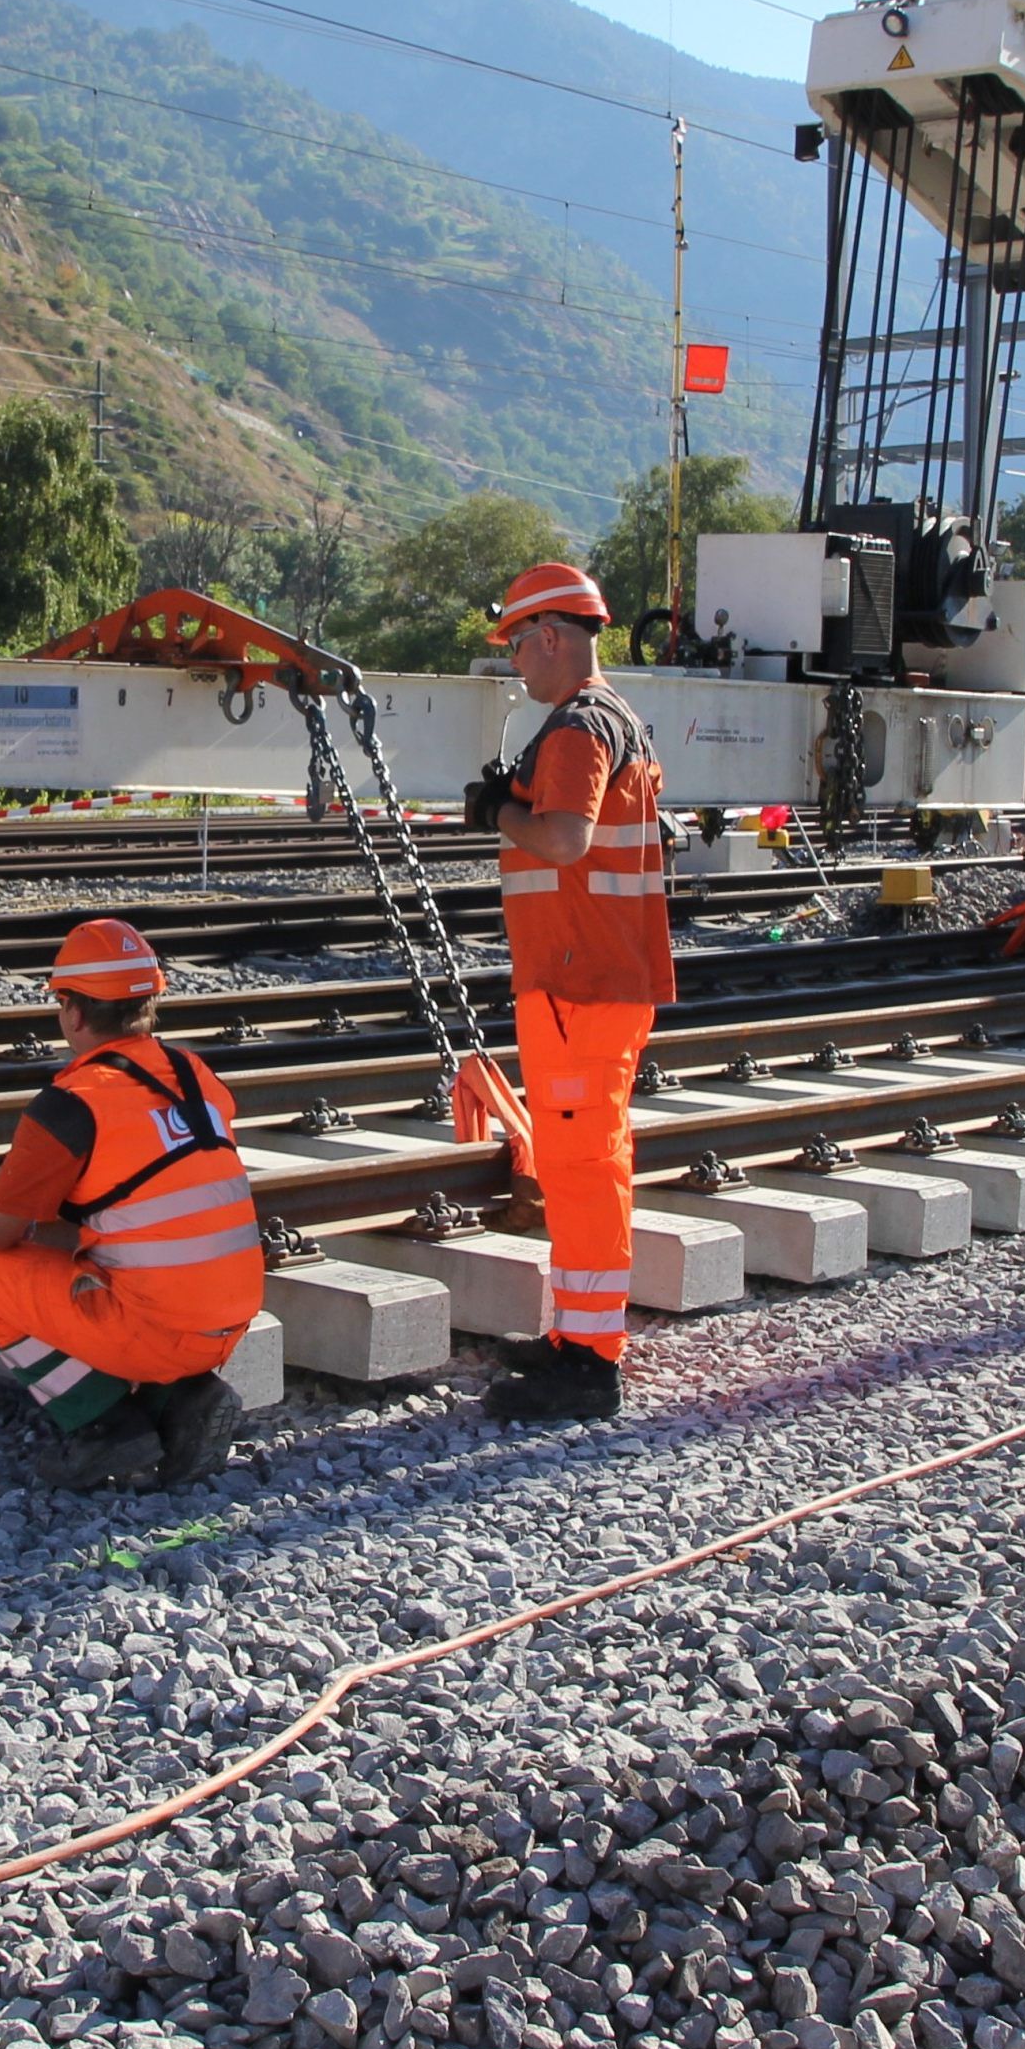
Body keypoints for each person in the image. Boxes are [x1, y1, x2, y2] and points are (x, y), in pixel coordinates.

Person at [463, 562, 676, 1420]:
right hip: (593, 980)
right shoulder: (617, 718)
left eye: (517, 644)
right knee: (586, 1160)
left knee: (581, 1165)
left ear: (551, 635)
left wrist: (496, 813)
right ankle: (579, 1333)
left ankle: (588, 1363)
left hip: (578, 984)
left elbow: (561, 840)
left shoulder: (578, 728)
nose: (515, 661)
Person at [0, 918, 261, 1491]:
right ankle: (185, 1396)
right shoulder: (198, 1077)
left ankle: (104, 1423)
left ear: (73, 1012)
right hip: (231, 1319)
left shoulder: (73, 1103)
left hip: (152, 1328)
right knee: (121, 1267)